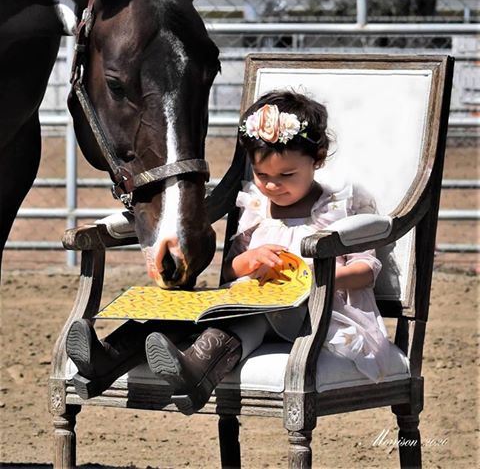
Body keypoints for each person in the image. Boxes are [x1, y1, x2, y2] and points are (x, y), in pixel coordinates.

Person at [66, 89, 390, 413]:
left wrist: (316, 277)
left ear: (317, 159)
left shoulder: (338, 206)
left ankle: (195, 372)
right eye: (262, 175)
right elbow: (231, 270)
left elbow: (366, 270)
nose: (273, 186)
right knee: (189, 312)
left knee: (247, 319)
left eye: (286, 175)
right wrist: (247, 261)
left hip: (313, 314)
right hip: (251, 301)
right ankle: (107, 358)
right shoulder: (256, 205)